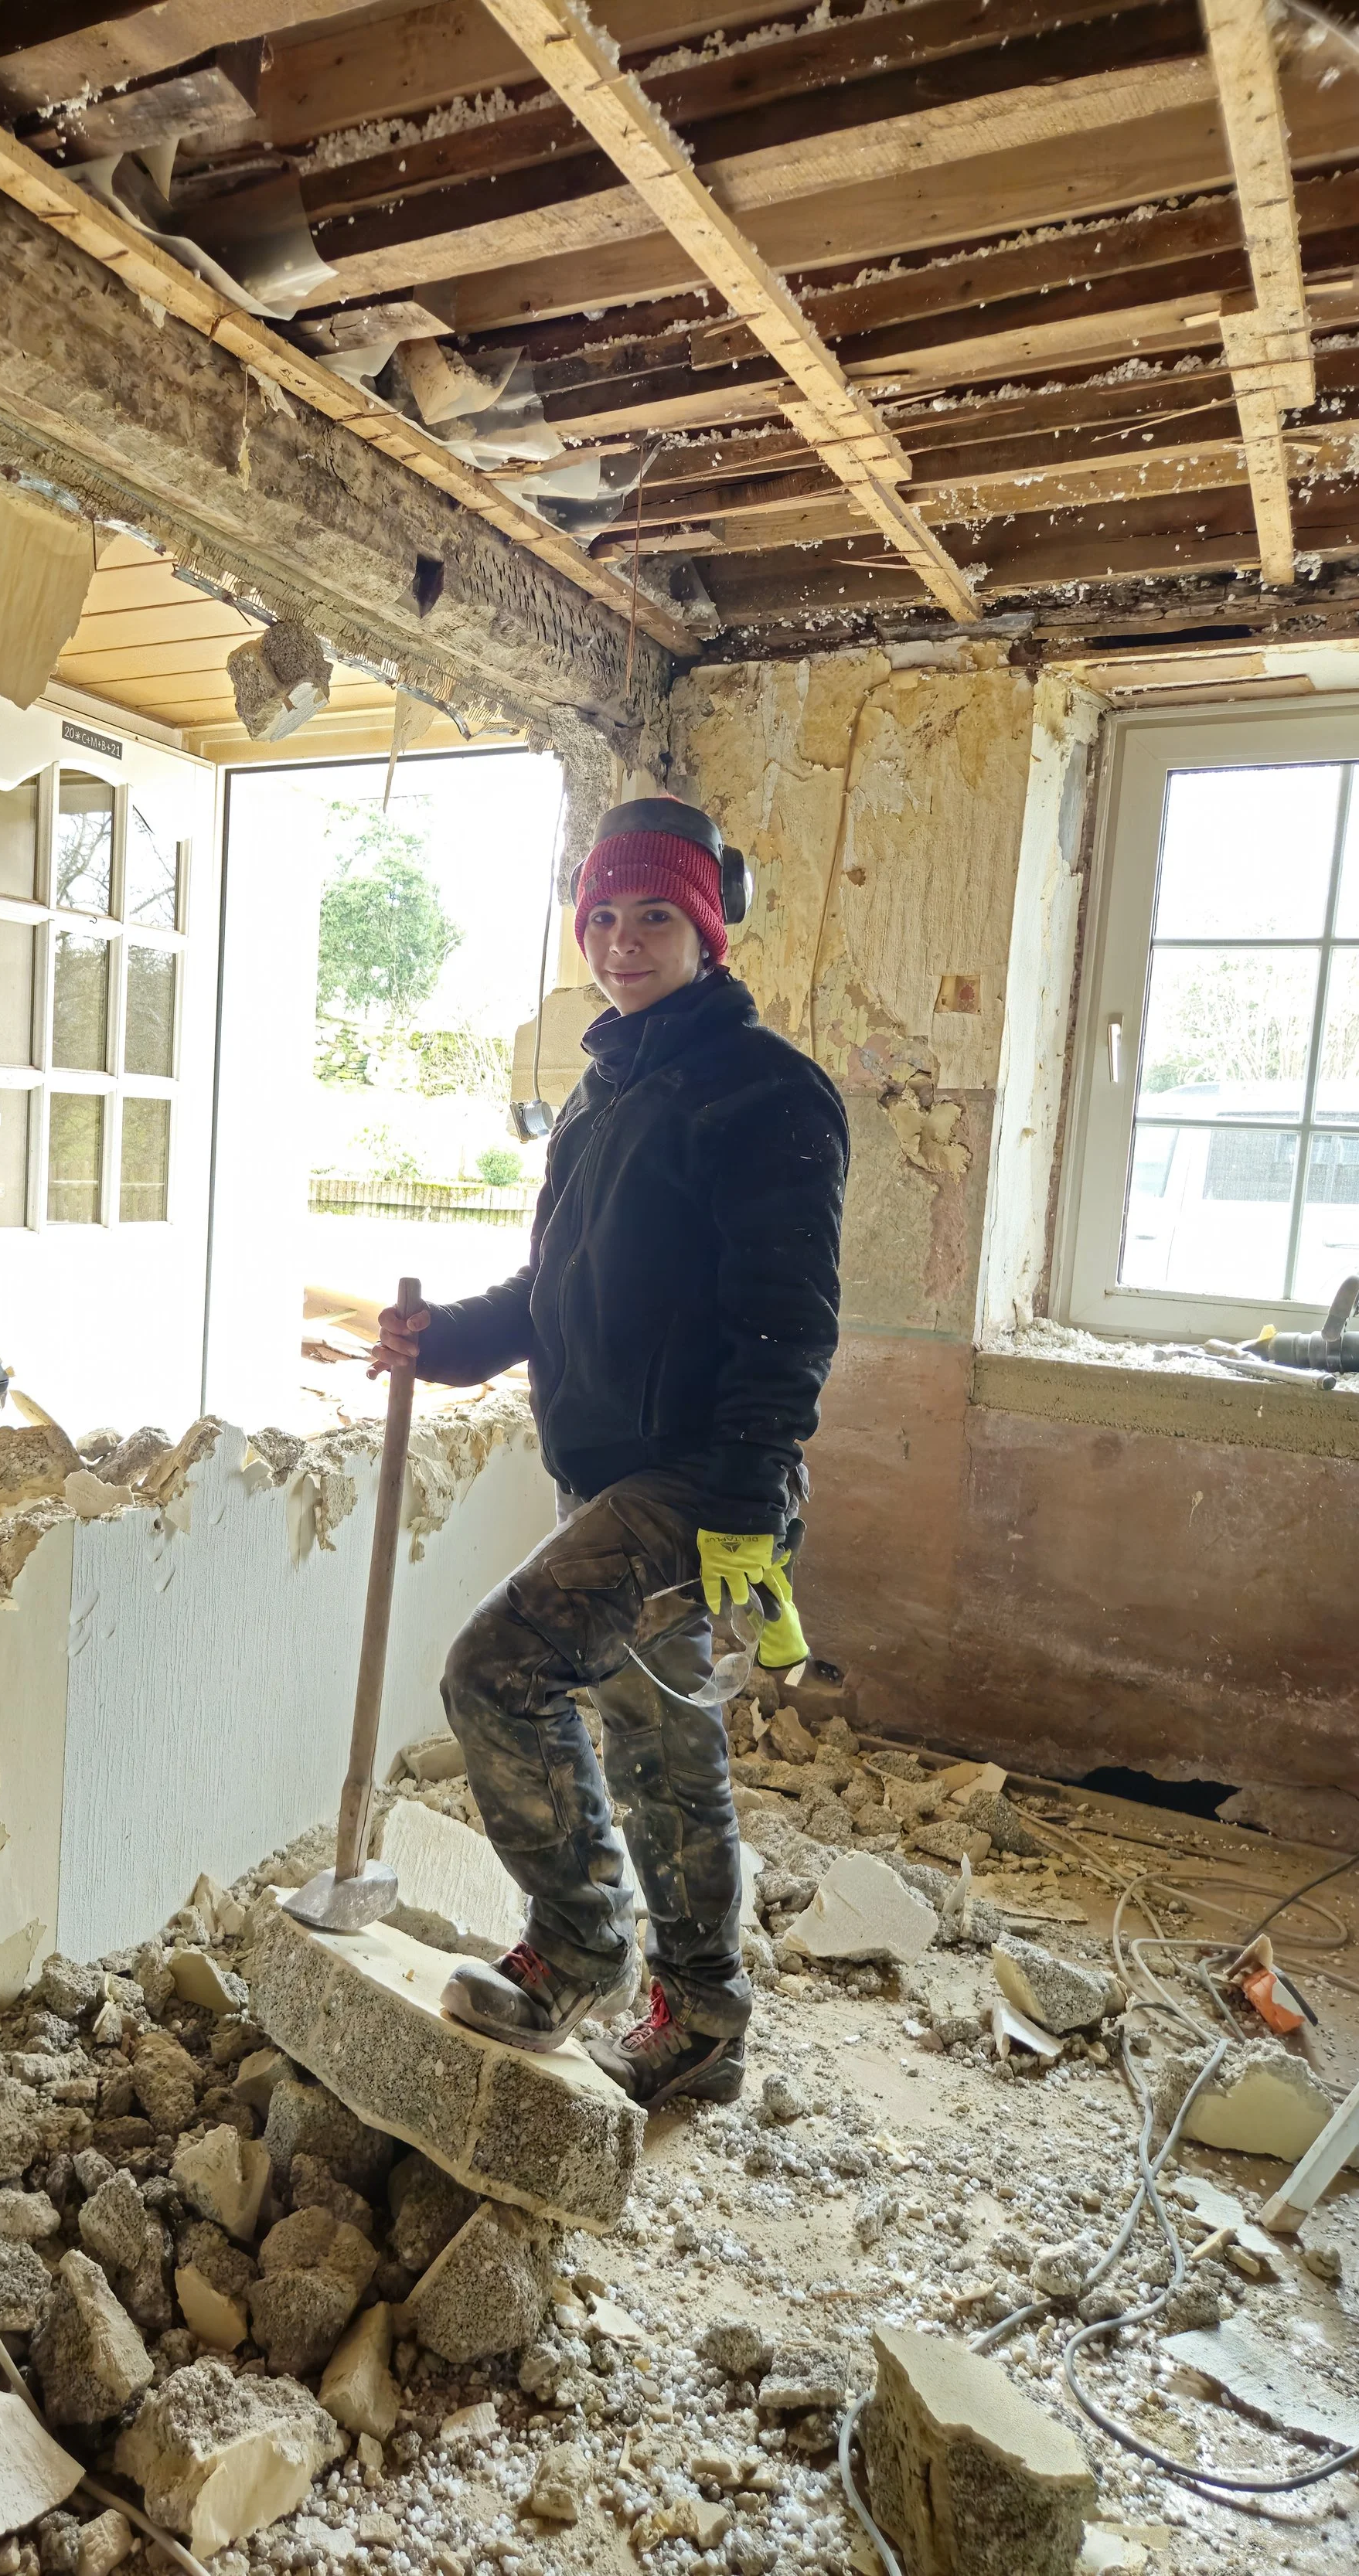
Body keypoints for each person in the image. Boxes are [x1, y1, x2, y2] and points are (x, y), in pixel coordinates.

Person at [368, 795, 846, 2110]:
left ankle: (578, 1951)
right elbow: (555, 1288)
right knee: (660, 1749)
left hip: (696, 1480)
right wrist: (450, 1339)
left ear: (707, 933)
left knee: (496, 1671)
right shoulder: (605, 1090)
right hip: (609, 1468)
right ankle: (702, 2023)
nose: (624, 942)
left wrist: (742, 1503)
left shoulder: (765, 1093)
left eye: (655, 919)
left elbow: (789, 1322)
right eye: (605, 919)